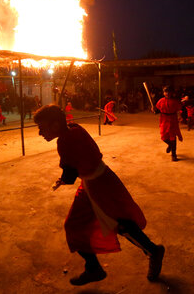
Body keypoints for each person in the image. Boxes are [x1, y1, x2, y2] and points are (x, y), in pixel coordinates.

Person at [33, 105, 165, 285]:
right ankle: (93, 268)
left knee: (119, 224)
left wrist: (63, 179)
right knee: (77, 223)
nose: (40, 132)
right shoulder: (75, 128)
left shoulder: (64, 141)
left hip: (99, 185)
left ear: (55, 125)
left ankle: (152, 251)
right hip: (95, 180)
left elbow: (70, 175)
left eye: (42, 127)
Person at [155, 86, 182, 161]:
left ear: (172, 93)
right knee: (163, 136)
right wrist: (154, 110)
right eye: (165, 92)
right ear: (163, 93)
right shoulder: (161, 100)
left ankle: (174, 154)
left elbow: (179, 110)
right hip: (164, 119)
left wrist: (180, 116)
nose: (167, 93)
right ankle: (170, 145)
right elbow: (157, 110)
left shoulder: (175, 101)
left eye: (169, 92)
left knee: (173, 137)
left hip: (173, 119)